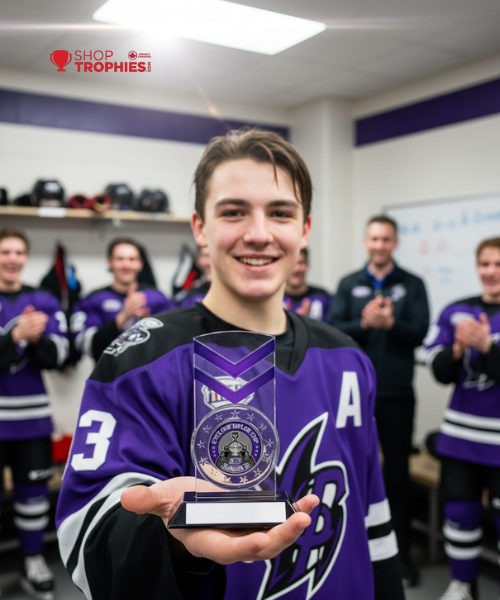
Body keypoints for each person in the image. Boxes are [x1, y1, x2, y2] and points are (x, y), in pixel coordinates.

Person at [56, 130, 404, 600]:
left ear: (304, 228)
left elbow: (371, 515)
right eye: (234, 211)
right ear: (200, 227)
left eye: (280, 212)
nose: (258, 233)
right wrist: (173, 543)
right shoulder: (141, 359)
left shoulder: (347, 358)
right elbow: (86, 533)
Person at [329, 215, 429, 587]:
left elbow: (420, 332)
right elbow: (336, 329)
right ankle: (352, 554)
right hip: (352, 394)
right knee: (351, 474)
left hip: (397, 394)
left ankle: (399, 557)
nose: (380, 245)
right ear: (366, 242)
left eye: (386, 239)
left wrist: (392, 326)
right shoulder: (348, 283)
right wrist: (366, 324)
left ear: (395, 243)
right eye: (374, 239)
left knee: (397, 476)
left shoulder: (412, 284)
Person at [425, 237, 500, 600]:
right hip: (460, 437)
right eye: (485, 264)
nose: (491, 272)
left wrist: (488, 348)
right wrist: (457, 349)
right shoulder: (457, 310)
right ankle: (462, 584)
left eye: (499, 264)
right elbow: (439, 371)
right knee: (459, 512)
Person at [0, 228, 69, 600]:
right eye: (4, 251)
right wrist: (14, 337)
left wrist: (38, 338)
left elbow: (59, 357)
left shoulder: (41, 299)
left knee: (32, 495)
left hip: (31, 419)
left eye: (18, 252)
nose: (11, 258)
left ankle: (32, 560)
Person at [71, 237, 173, 361]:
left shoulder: (158, 298)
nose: (126, 265)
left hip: (149, 377)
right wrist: (122, 317)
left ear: (140, 264)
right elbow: (90, 347)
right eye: (120, 259)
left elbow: (173, 342)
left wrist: (149, 325)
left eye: (132, 259)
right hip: (109, 377)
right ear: (110, 262)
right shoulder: (93, 300)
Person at [283, 247, 332, 322]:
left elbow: (332, 329)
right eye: (292, 263)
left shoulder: (323, 297)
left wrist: (306, 322)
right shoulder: (274, 299)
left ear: (307, 265)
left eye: (300, 263)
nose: (296, 269)